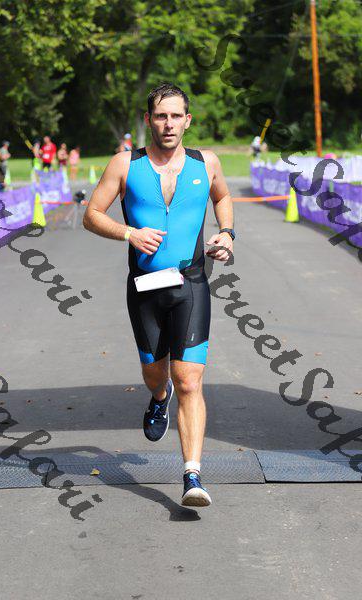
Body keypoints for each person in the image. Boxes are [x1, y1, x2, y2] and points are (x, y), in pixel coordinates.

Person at [83, 83, 234, 507]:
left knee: (189, 380)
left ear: (188, 120)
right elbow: (91, 215)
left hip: (191, 283)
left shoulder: (206, 163)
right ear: (149, 120)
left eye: (176, 116)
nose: (169, 124)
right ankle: (158, 397)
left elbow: (223, 196)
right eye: (161, 116)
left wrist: (227, 233)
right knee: (157, 374)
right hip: (146, 287)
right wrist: (128, 233)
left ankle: (192, 475)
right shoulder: (125, 164)